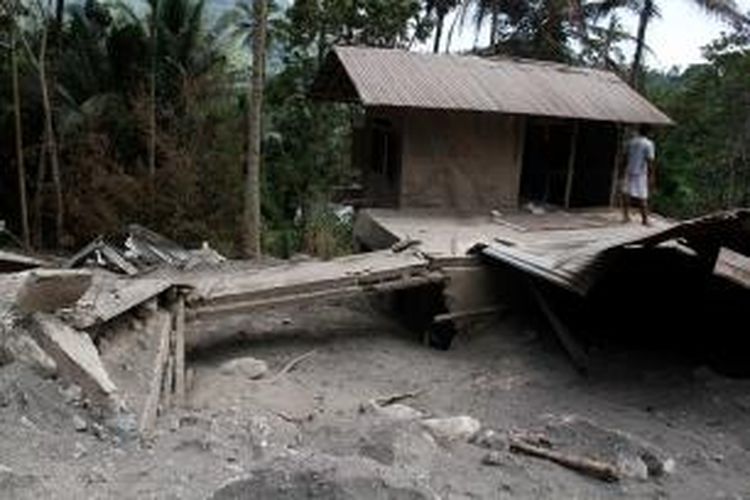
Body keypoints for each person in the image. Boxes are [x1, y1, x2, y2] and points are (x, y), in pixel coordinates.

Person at [622, 125, 656, 225]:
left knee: (626, 193)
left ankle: (626, 216)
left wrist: (622, 170)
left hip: (629, 170)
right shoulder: (648, 144)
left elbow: (624, 157)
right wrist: (652, 176)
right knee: (643, 196)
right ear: (648, 132)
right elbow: (650, 161)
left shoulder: (631, 142)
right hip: (640, 173)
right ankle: (644, 220)